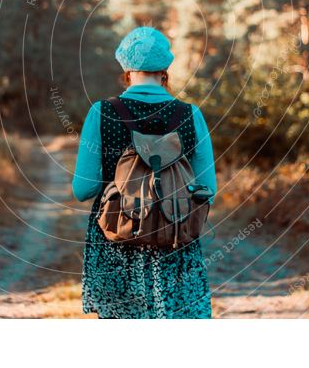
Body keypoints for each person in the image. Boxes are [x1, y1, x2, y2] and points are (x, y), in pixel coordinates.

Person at [72, 26, 217, 319]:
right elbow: (207, 189)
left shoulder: (102, 112)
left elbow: (82, 190)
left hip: (117, 241)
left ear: (127, 70)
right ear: (165, 70)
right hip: (175, 240)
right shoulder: (191, 115)